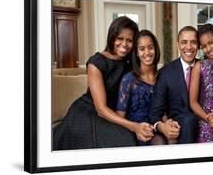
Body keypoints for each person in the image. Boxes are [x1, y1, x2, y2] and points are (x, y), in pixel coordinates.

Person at [53, 16, 145, 150]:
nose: (124, 44)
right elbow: (101, 109)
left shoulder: (130, 62)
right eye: (120, 38)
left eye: (129, 40)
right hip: (89, 112)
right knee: (122, 140)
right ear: (112, 37)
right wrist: (134, 126)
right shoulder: (96, 63)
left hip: (114, 112)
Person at [149, 26, 213, 144]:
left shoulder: (207, 67)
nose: (189, 47)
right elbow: (155, 111)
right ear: (177, 44)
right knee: (188, 120)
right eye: (184, 42)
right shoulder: (166, 73)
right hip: (183, 127)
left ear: (198, 46)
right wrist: (162, 125)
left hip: (209, 120)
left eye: (193, 42)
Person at [116, 29, 160, 146]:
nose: (147, 52)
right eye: (142, 49)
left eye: (150, 47)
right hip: (135, 130)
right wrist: (136, 128)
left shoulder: (162, 77)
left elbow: (165, 109)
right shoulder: (128, 79)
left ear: (155, 49)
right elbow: (120, 117)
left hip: (157, 127)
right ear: (136, 52)